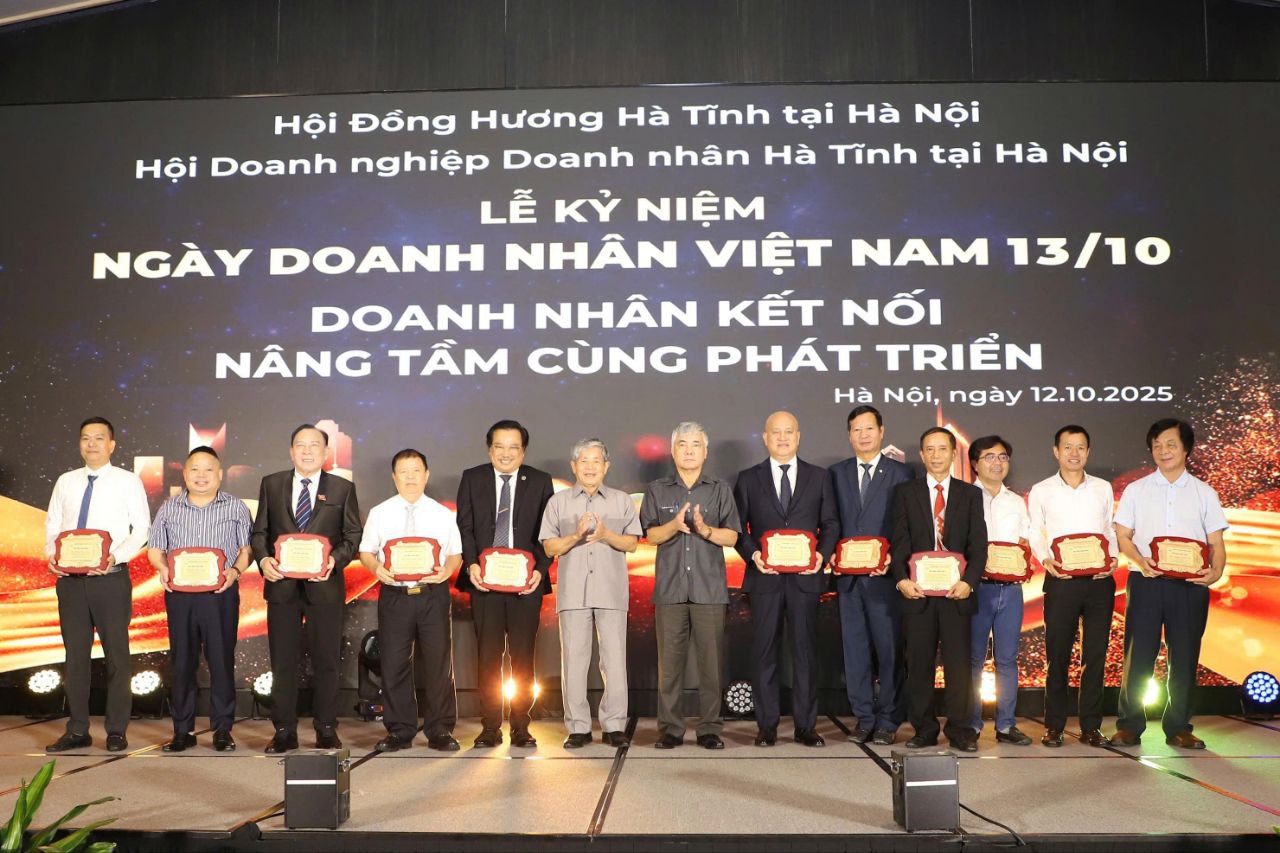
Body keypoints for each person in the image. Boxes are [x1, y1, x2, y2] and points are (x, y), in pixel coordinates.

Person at [1110, 419, 1228, 750]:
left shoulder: (1205, 493)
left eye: (1171, 444)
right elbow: (1123, 536)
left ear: (1186, 449)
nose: (1164, 451)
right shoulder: (1136, 490)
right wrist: (1139, 561)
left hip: (1191, 586)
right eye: (1157, 445)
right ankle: (1129, 726)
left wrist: (1216, 571)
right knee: (1138, 655)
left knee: (1185, 656)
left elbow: (1216, 542)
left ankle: (1179, 727)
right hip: (1147, 581)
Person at [251, 423, 362, 754]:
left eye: (315, 445)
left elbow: (352, 535)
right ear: (291, 451)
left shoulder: (342, 488)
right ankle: (284, 730)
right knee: (283, 662)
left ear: (326, 452)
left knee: (327, 661)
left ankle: (326, 727)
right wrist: (264, 560)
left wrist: (333, 561)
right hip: (282, 587)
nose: (308, 450)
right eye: (301, 444)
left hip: (324, 586)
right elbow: (260, 532)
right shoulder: (271, 484)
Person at [44, 416, 150, 753]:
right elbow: (53, 525)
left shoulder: (128, 481)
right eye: (86, 438)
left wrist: (115, 556)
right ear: (79, 444)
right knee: (75, 656)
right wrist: (52, 556)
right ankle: (77, 729)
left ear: (112, 445)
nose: (92, 444)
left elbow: (142, 528)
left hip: (110, 579)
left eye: (99, 438)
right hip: (70, 582)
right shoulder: (65, 481)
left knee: (117, 656)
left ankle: (116, 730)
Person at [733, 411, 839, 748]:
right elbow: (738, 529)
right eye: (775, 432)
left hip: (806, 578)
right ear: (765, 438)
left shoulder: (819, 477)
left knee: (805, 653)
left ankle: (806, 726)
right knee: (765, 652)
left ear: (798, 436)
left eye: (788, 431)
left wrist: (821, 555)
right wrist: (754, 555)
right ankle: (766, 726)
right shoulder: (748, 478)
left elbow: (831, 523)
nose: (782, 438)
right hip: (765, 579)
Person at [640, 422, 741, 750]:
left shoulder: (719, 489)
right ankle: (670, 729)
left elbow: (732, 536)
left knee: (711, 665)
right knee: (669, 667)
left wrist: (704, 529)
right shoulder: (657, 489)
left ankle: (709, 728)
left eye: (695, 444)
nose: (688, 450)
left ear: (705, 451)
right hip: (670, 590)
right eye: (682, 444)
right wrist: (673, 525)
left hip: (709, 590)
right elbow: (650, 536)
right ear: (673, 450)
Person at [456, 419, 555, 749]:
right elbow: (465, 526)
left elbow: (548, 530)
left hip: (526, 584)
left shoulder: (539, 481)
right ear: (490, 449)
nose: (506, 453)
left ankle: (521, 726)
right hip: (485, 583)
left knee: (523, 657)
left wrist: (541, 569)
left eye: (514, 447)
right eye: (499, 446)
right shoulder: (473, 478)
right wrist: (471, 564)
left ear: (523, 451)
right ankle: (489, 727)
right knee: (488, 657)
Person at [146, 446, 251, 753]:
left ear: (219, 474)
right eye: (195, 469)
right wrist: (162, 568)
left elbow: (247, 550)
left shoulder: (236, 507)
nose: (201, 476)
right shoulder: (169, 507)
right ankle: (183, 731)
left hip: (220, 594)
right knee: (182, 662)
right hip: (180, 597)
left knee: (221, 661)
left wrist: (235, 571)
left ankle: (222, 730)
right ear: (185, 474)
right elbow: (155, 548)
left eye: (208, 470)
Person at [540, 438, 641, 748]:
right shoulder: (558, 503)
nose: (590, 467)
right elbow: (549, 547)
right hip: (573, 594)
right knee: (573, 662)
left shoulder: (621, 501)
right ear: (574, 466)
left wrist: (606, 534)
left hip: (611, 592)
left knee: (614, 662)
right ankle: (578, 728)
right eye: (584, 461)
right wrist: (576, 535)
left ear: (606, 466)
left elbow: (632, 543)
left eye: (596, 461)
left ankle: (614, 726)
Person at [359, 449, 462, 752]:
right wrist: (376, 568)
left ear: (426, 475)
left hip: (432, 595)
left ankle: (440, 730)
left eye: (416, 471)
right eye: (403, 472)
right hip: (395, 595)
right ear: (394, 477)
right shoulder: (380, 512)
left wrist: (446, 571)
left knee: (438, 664)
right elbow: (366, 551)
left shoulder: (442, 514)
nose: (410, 477)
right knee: (394, 664)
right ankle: (399, 730)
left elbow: (455, 554)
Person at [890, 426, 986, 752]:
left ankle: (960, 730)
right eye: (929, 449)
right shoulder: (906, 493)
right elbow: (899, 542)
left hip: (956, 594)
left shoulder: (970, 494)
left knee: (959, 667)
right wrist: (901, 580)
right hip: (917, 593)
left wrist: (968, 582)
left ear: (953, 453)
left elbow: (978, 546)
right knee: (919, 665)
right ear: (921, 455)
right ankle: (924, 729)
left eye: (942, 449)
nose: (936, 455)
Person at [1027, 425, 1117, 748]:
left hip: (1099, 582)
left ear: (1088, 452)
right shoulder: (1041, 490)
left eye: (1080, 447)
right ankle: (1054, 726)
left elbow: (1109, 529)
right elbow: (1035, 530)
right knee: (1058, 656)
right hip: (1061, 581)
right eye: (1067, 447)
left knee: (1095, 655)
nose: (1074, 453)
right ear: (1056, 451)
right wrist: (1045, 559)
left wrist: (1113, 557)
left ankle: (1091, 726)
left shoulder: (1103, 488)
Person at [827, 405, 912, 745]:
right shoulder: (836, 474)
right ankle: (863, 718)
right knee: (855, 651)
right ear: (849, 435)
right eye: (856, 430)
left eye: (869, 428)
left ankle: (889, 720)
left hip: (886, 578)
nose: (863, 435)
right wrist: (830, 552)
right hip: (849, 580)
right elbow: (831, 521)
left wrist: (894, 557)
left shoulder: (901, 474)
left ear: (881, 431)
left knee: (890, 651)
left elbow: (908, 526)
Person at [966, 435, 1032, 746]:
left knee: (1007, 659)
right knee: (973, 659)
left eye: (1003, 457)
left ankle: (1006, 725)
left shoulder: (1016, 501)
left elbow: (1025, 541)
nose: (997, 463)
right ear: (975, 464)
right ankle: (971, 724)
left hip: (1011, 589)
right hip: (977, 588)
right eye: (989, 457)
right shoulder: (964, 497)